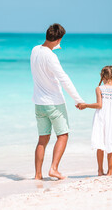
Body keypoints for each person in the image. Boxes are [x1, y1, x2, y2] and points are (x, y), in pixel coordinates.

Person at [30, 23, 85, 180]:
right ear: (59, 39)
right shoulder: (51, 57)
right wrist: (78, 100)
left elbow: (41, 63)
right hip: (54, 103)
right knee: (63, 135)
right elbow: (64, 79)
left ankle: (38, 175)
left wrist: (54, 46)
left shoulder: (34, 50)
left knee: (42, 139)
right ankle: (54, 169)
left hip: (39, 103)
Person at [77, 66, 112, 176]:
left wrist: (85, 105)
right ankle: (109, 172)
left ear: (102, 76)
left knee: (100, 143)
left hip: (101, 118)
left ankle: (100, 171)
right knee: (111, 144)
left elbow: (99, 105)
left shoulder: (99, 89)